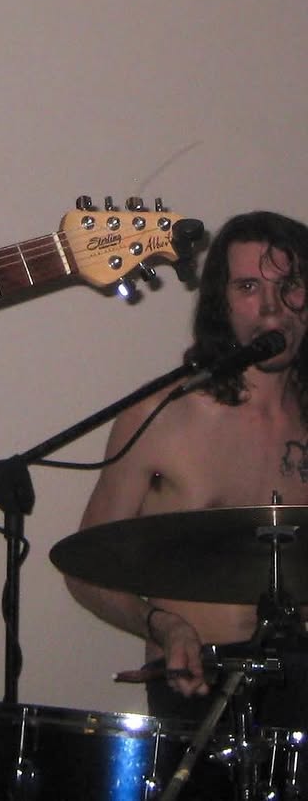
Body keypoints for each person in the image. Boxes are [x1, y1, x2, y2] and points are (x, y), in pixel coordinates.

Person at [66, 210, 308, 728]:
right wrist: (164, 627)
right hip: (197, 692)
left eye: (289, 285)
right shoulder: (162, 415)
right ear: (222, 302)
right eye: (248, 286)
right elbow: (85, 569)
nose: (271, 307)